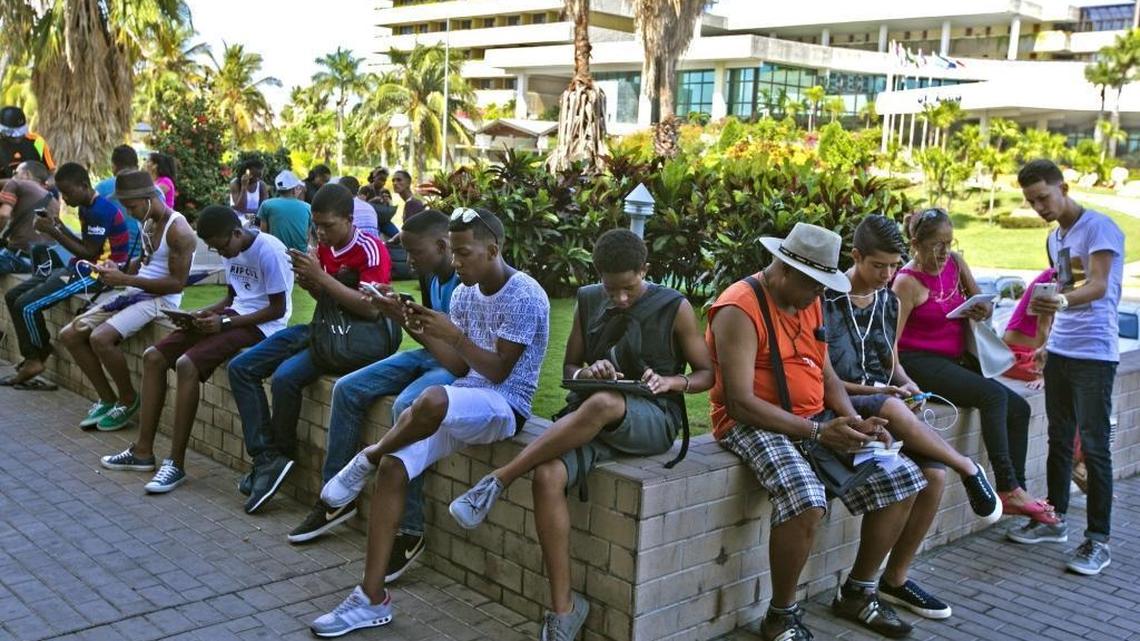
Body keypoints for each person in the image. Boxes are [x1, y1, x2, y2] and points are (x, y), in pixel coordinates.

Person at [448, 228, 714, 640]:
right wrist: (588, 372)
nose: (620, 299)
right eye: (612, 290)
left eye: (628, 288)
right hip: (593, 417)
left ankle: (499, 479)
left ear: (645, 270)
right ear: (599, 278)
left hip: (652, 417)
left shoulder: (674, 307)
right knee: (548, 474)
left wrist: (671, 382)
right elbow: (569, 371)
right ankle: (564, 610)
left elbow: (706, 374)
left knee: (603, 403)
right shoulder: (589, 299)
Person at [309, 208, 549, 637]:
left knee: (429, 398)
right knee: (395, 467)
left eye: (464, 253)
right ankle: (371, 597)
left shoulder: (526, 295)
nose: (455, 263)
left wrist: (455, 336)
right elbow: (458, 366)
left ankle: (366, 455)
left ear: (493, 250)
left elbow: (497, 372)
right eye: (453, 254)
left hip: (506, 406)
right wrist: (408, 318)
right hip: (465, 398)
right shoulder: (463, 295)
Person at [709, 222, 924, 640]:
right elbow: (739, 403)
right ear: (786, 270)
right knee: (806, 498)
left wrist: (853, 420)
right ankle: (781, 616)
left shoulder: (809, 300)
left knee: (904, 477)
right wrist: (817, 432)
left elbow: (824, 372)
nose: (819, 295)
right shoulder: (740, 306)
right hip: (753, 422)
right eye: (814, 285)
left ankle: (858, 594)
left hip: (812, 419)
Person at [822, 215, 1000, 620]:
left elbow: (892, 359)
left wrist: (907, 384)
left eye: (892, 265)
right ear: (856, 257)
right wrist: (883, 393)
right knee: (888, 405)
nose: (887, 275)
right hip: (844, 406)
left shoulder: (887, 299)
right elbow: (823, 377)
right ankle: (968, 468)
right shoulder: (828, 299)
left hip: (887, 405)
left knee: (933, 478)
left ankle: (894, 580)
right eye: (878, 266)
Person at [286, 209, 458, 579]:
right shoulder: (432, 275)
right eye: (407, 253)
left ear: (443, 245)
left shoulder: (468, 281)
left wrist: (400, 316)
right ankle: (336, 498)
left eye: (416, 253)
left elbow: (461, 354)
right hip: (428, 353)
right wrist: (398, 307)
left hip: (455, 363)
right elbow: (429, 325)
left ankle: (410, 530)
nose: (408, 261)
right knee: (348, 389)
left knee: (405, 406)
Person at [99, 206, 293, 494]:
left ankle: (175, 464)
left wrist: (224, 322)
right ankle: (142, 452)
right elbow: (233, 296)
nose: (221, 253)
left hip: (263, 327)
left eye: (221, 246)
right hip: (232, 317)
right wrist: (199, 314)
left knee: (187, 364)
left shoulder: (269, 250)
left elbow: (277, 309)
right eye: (214, 249)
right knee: (154, 356)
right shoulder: (232, 246)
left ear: (237, 233)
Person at [229, 183, 392, 514]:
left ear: (349, 219)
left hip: (352, 339)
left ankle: (280, 456)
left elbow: (371, 309)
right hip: (324, 329)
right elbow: (329, 300)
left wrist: (322, 278)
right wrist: (313, 285)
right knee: (241, 367)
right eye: (316, 225)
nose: (321, 232)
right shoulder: (326, 249)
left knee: (286, 377)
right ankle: (267, 457)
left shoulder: (370, 249)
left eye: (328, 225)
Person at [893, 207, 1056, 525]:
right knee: (993, 397)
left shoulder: (954, 264)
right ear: (915, 243)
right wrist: (900, 382)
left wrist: (981, 309)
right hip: (920, 363)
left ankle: (1016, 491)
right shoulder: (906, 283)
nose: (943, 252)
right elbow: (891, 343)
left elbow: (981, 300)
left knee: (1019, 409)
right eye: (936, 245)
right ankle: (1007, 488)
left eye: (949, 243)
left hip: (956, 359)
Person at [1006, 159, 1125, 577]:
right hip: (1062, 351)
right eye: (1031, 201)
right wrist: (1044, 345)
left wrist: (1060, 301)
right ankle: (1053, 520)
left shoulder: (1099, 227)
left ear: (1063, 187)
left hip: (1095, 353)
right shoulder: (1056, 238)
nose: (1039, 206)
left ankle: (1098, 540)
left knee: (1093, 446)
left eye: (1043, 197)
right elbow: (1059, 287)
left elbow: (1097, 284)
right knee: (1058, 439)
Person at [58, 170, 195, 431]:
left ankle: (128, 399)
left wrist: (125, 280)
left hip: (161, 300)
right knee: (70, 334)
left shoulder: (179, 230)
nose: (129, 212)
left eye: (131, 206)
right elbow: (144, 263)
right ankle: (108, 399)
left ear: (148, 198)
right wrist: (118, 266)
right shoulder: (148, 222)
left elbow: (177, 283)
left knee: (100, 338)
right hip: (136, 291)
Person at [2, 162, 130, 389]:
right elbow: (86, 245)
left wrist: (53, 232)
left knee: (27, 306)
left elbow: (89, 252)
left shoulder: (100, 211)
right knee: (13, 296)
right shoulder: (87, 207)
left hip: (96, 275)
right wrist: (60, 227)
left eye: (68, 192)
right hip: (80, 267)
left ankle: (35, 359)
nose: (65, 198)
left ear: (83, 185)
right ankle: (33, 354)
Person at [94, 145, 160, 262]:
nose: (129, 213)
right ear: (137, 164)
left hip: (115, 258)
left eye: (132, 207)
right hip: (144, 258)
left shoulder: (101, 189)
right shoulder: (156, 191)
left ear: (114, 166)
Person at [0, 161, 59, 274]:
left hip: (16, 258)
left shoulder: (16, 184)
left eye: (15, 172)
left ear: (26, 174)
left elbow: (3, 215)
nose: (13, 176)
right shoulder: (54, 201)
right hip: (40, 262)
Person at [256, 170, 312, 253]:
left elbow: (264, 235)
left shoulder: (267, 205)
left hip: (275, 254)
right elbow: (307, 237)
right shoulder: (308, 207)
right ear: (293, 189)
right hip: (300, 256)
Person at [0, 106, 55, 179]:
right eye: (12, 134)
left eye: (20, 132)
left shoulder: (38, 141)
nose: (18, 137)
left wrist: (49, 182)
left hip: (35, 187)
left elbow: (50, 171)